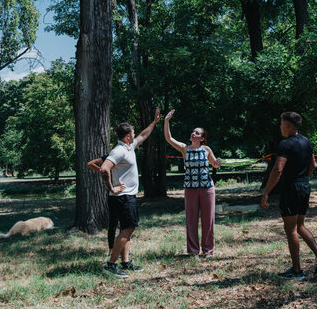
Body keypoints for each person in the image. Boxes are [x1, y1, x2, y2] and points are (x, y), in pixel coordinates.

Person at [261, 112, 317, 280]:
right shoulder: (306, 141)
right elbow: (312, 164)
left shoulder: (285, 144)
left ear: (288, 126)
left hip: (291, 189)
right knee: (300, 225)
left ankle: (297, 271)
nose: (280, 127)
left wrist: (266, 192)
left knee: (290, 229)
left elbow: (278, 170)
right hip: (304, 186)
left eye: (281, 124)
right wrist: (302, 179)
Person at [100, 108, 161, 278]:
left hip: (126, 197)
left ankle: (125, 262)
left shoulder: (129, 147)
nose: (135, 135)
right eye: (132, 133)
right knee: (128, 229)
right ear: (127, 137)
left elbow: (143, 135)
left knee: (127, 229)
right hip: (122, 197)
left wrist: (155, 122)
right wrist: (111, 188)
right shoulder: (119, 151)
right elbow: (104, 168)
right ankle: (110, 265)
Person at [164, 109, 221, 257]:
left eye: (197, 133)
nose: (193, 134)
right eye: (193, 132)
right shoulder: (185, 148)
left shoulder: (206, 149)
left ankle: (208, 251)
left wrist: (219, 162)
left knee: (208, 220)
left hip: (207, 188)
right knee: (191, 220)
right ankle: (193, 251)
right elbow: (169, 138)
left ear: (202, 138)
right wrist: (166, 122)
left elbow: (215, 164)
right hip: (190, 188)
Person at [86, 156, 125, 256]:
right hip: (114, 193)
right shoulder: (111, 157)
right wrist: (102, 171)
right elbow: (90, 164)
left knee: (123, 224)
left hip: (124, 192)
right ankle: (112, 249)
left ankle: (122, 249)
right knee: (114, 223)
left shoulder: (123, 155)